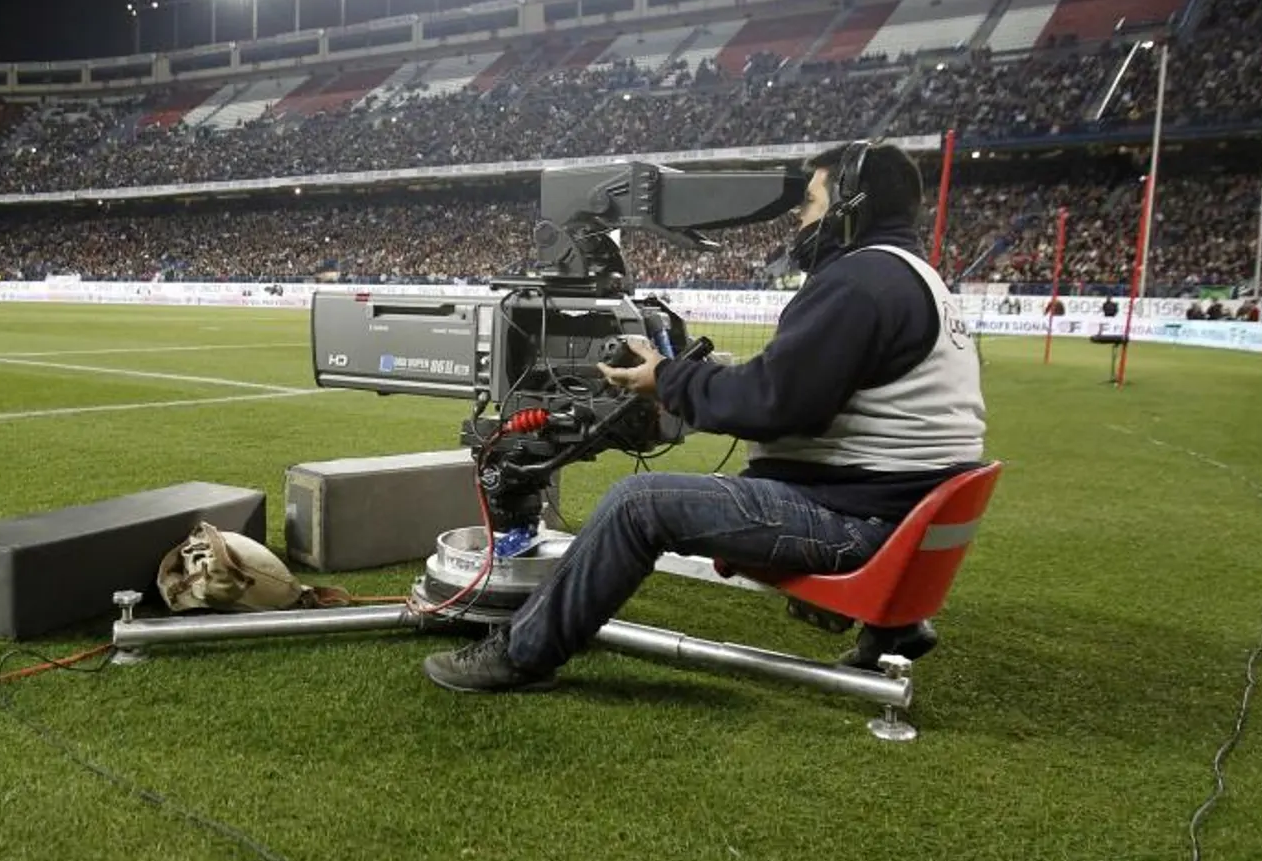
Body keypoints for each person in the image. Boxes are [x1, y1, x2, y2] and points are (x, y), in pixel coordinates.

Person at [423, 141, 988, 694]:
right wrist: (708, 380)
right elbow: (819, 394)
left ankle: (522, 654)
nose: (800, 221)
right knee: (721, 489)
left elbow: (773, 405)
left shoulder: (859, 283)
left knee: (636, 504)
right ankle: (894, 627)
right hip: (903, 518)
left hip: (858, 522)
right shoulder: (915, 278)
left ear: (848, 208)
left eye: (811, 204)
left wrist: (666, 380)